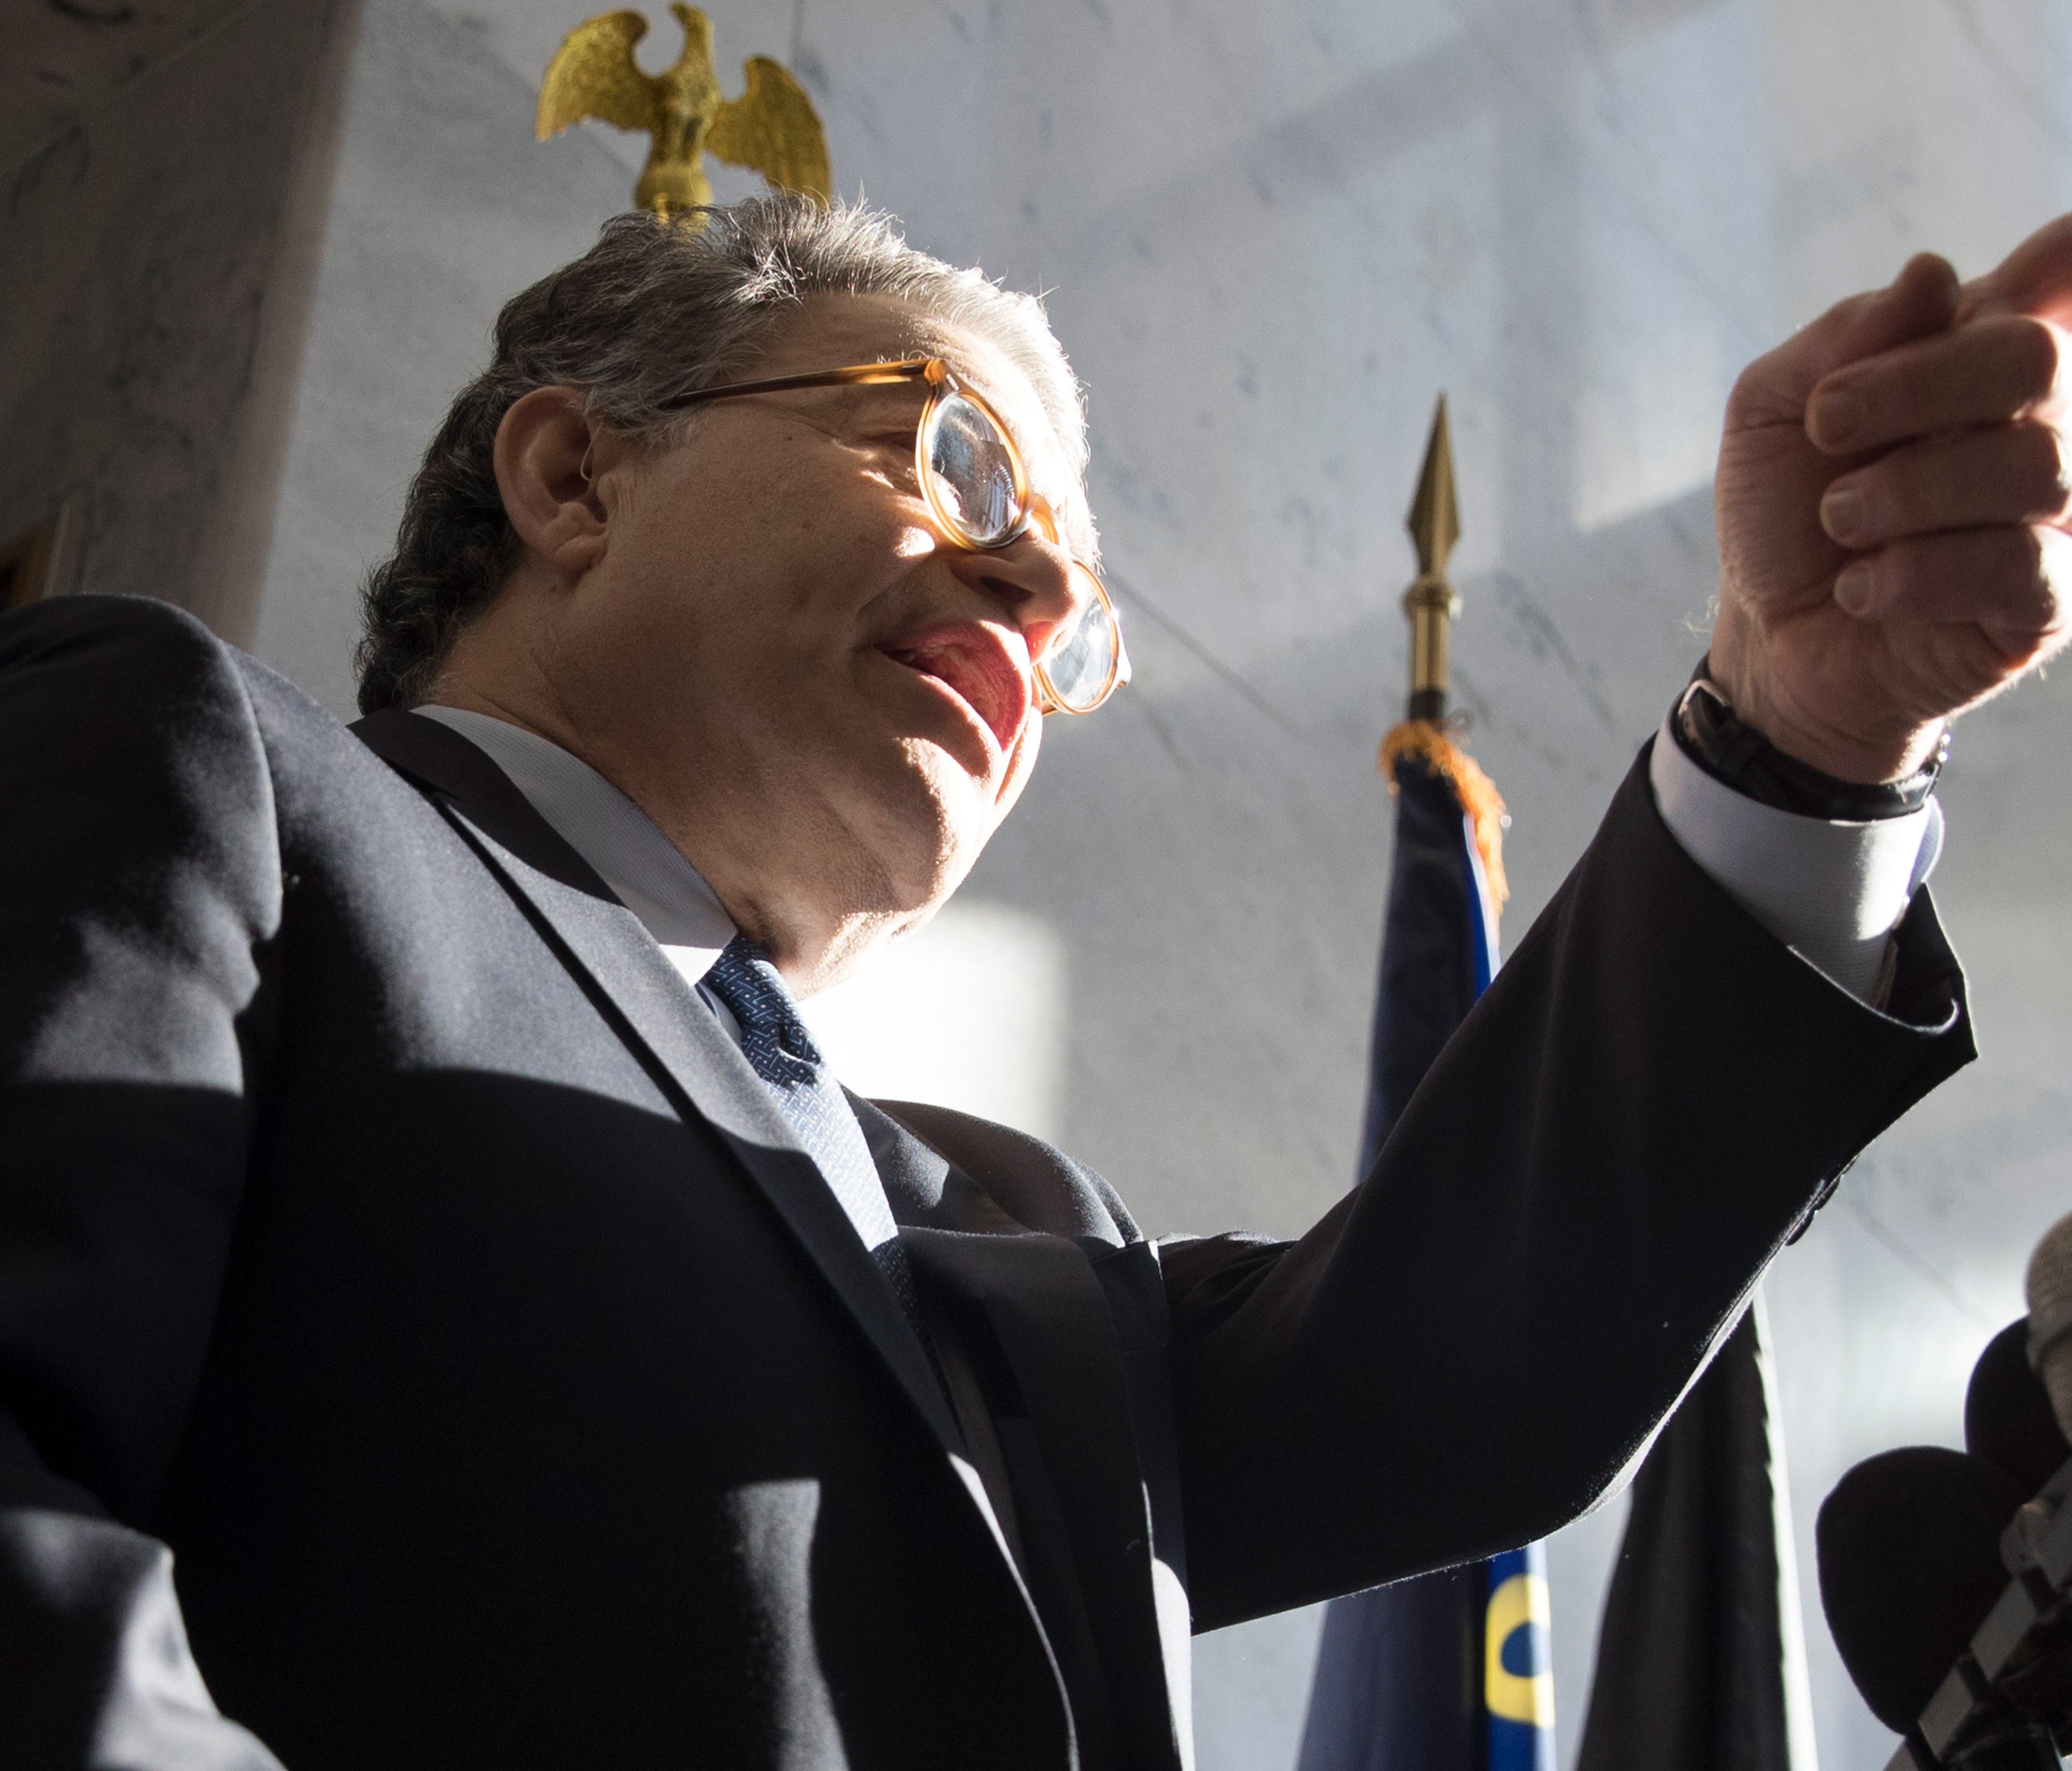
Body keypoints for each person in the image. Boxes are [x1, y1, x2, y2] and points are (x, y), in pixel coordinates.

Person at [0, 195, 2062, 1771]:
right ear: (573, 478)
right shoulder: (199, 773)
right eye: (959, 464)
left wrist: (1803, 734)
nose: (1045, 589)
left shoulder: (1009, 1227)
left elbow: (1470, 1358)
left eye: (1080, 615)